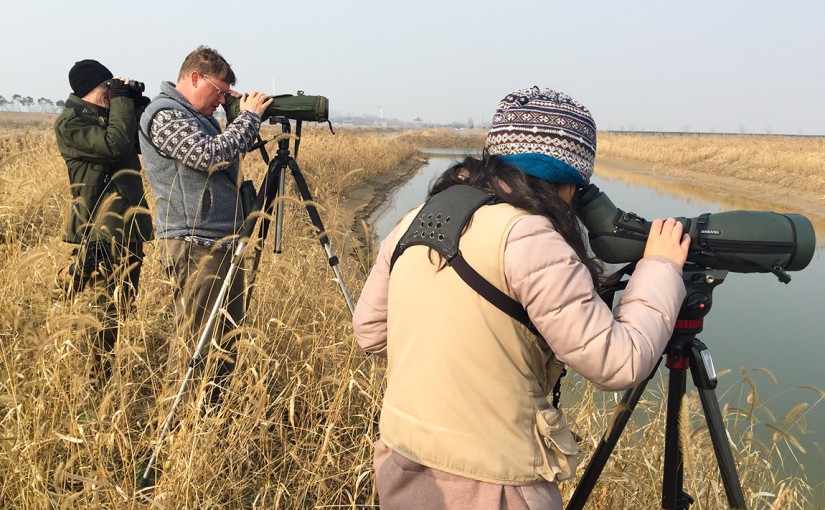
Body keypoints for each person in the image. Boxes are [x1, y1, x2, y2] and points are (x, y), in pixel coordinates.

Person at [352, 87, 691, 509]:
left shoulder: (413, 221)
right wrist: (660, 267)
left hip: (401, 464)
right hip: (494, 487)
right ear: (568, 182)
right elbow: (618, 363)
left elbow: (370, 333)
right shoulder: (529, 236)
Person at [139, 45, 272, 405]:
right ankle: (178, 430)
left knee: (226, 340)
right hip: (193, 242)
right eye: (219, 91)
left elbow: (223, 151)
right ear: (195, 77)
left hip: (221, 241)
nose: (221, 100)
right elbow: (208, 155)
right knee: (195, 342)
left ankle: (211, 422)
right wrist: (247, 118)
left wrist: (240, 119)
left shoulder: (202, 118)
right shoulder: (163, 114)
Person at [54, 59, 154, 383]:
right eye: (107, 89)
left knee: (122, 306)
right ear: (90, 91)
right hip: (100, 230)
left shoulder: (110, 117)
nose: (111, 96)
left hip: (129, 227)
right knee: (104, 313)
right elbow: (115, 144)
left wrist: (136, 104)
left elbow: (139, 143)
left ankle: (71, 278)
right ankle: (95, 381)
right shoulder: (70, 123)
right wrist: (122, 100)